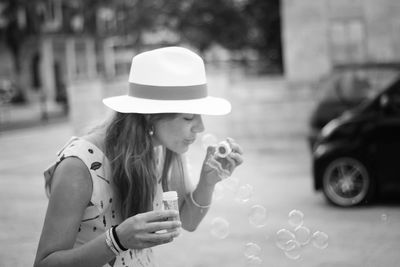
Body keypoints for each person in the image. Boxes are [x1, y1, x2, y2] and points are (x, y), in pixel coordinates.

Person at [34, 46, 243, 267]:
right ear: (150, 116)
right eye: (189, 117)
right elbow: (44, 264)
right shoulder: (80, 166)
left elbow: (187, 221)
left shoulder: (162, 148)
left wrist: (208, 182)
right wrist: (116, 240)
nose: (200, 128)